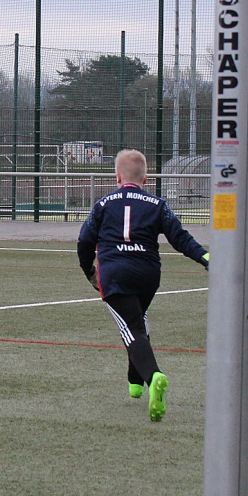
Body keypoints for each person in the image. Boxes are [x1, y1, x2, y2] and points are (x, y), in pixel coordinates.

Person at [76, 149, 209, 422]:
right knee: (137, 321)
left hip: (115, 274)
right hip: (148, 274)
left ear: (117, 177)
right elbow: (181, 238)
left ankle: (153, 376)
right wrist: (206, 258)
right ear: (146, 179)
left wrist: (89, 270)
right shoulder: (157, 204)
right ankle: (134, 382)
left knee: (131, 329)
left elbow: (84, 241)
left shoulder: (103, 205)